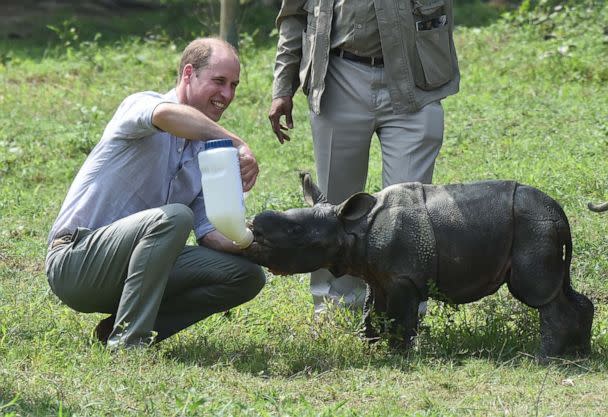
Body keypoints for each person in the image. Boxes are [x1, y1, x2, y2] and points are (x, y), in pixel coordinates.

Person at [45, 38, 266, 349]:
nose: (227, 95)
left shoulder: (210, 156)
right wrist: (237, 142)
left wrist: (266, 246)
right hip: (76, 263)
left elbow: (212, 233)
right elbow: (166, 116)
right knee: (175, 217)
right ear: (189, 74)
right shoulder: (142, 105)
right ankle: (128, 342)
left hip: (136, 271)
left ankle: (118, 329)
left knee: (246, 276)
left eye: (233, 85)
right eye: (219, 81)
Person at [268, 0, 460, 314]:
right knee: (335, 205)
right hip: (339, 76)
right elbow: (294, 17)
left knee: (406, 209)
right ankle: (335, 307)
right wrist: (282, 88)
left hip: (414, 81)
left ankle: (401, 310)